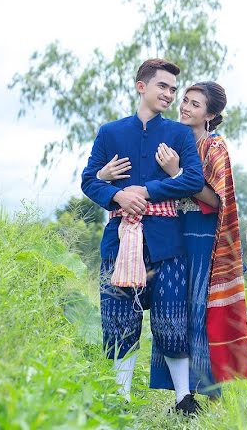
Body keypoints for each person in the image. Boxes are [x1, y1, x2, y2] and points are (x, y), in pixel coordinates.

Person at [98, 81, 247, 399]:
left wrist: (176, 172)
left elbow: (214, 198)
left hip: (202, 236)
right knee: (175, 312)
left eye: (195, 104)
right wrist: (102, 178)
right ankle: (181, 393)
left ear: (210, 114)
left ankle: (204, 392)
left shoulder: (214, 147)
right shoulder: (173, 140)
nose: (185, 107)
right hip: (173, 233)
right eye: (185, 100)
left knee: (199, 309)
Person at [81, 58, 205, 416]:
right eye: (162, 87)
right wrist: (117, 195)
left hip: (168, 243)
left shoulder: (179, 135)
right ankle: (118, 401)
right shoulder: (110, 133)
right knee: (119, 320)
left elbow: (193, 181)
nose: (169, 94)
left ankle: (184, 400)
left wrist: (144, 191)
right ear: (141, 87)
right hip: (119, 241)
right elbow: (88, 180)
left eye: (172, 89)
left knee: (171, 320)